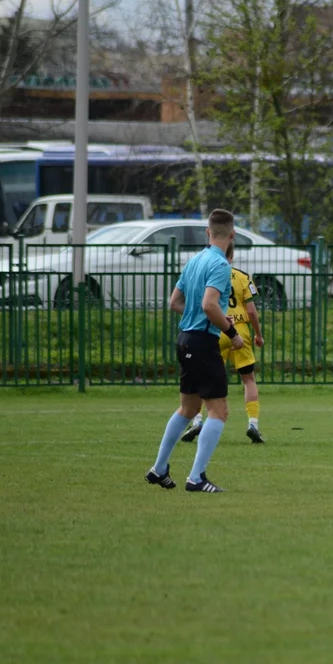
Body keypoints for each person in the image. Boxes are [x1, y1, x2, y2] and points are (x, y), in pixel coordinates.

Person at [144, 208, 242, 493]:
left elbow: (174, 301)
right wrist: (232, 332)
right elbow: (210, 305)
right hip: (201, 341)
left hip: (185, 338)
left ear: (207, 233)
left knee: (188, 408)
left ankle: (159, 469)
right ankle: (196, 478)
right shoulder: (221, 265)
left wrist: (200, 318)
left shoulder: (195, 260)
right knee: (219, 410)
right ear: (232, 234)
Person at [181, 240, 266, 445]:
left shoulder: (209, 274)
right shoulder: (243, 277)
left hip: (216, 330)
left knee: (203, 378)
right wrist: (258, 335)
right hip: (241, 332)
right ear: (232, 255)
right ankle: (253, 424)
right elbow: (252, 311)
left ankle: (198, 420)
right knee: (249, 380)